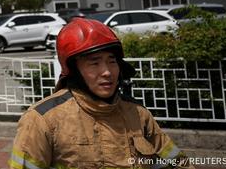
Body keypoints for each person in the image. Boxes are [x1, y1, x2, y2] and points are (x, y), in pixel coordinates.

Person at [10, 18, 191, 169]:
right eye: (94, 63)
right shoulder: (42, 120)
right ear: (74, 71)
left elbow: (177, 163)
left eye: (112, 61)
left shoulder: (138, 114)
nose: (107, 72)